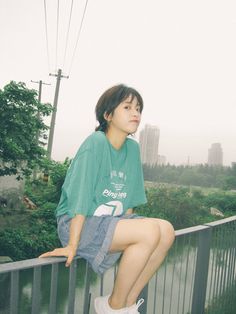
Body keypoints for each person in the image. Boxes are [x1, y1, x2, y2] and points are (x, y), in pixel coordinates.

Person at [39, 84, 175, 314]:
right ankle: (113, 308)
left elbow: (129, 200)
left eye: (138, 108)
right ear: (108, 115)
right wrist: (72, 244)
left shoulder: (132, 149)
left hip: (111, 223)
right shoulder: (96, 143)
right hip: (77, 222)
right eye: (128, 107)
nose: (136, 113)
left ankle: (126, 304)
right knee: (150, 230)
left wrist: (131, 237)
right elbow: (80, 196)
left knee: (166, 230)